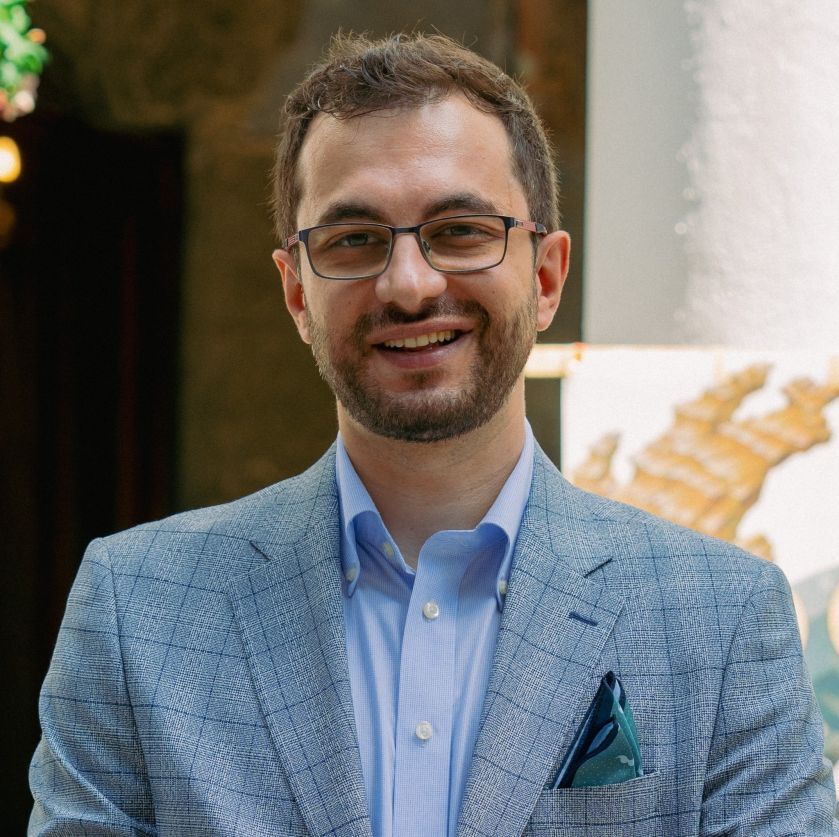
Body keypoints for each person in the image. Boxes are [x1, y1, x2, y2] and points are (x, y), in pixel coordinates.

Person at [29, 32, 837, 837]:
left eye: (460, 230)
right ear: (296, 293)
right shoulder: (137, 610)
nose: (409, 285)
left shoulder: (722, 620)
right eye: (353, 239)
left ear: (546, 275)